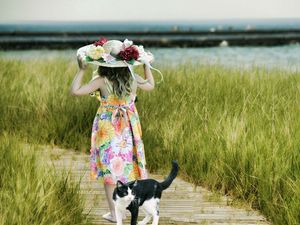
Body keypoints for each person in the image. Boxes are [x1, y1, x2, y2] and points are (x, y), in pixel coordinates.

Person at [69, 39, 158, 223]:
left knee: (111, 171)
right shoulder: (133, 78)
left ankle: (115, 213)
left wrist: (82, 69)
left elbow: (75, 91)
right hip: (129, 129)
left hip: (108, 129)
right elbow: (151, 85)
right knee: (129, 167)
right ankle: (133, 208)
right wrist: (146, 65)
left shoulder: (101, 80)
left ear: (104, 63)